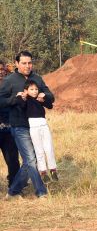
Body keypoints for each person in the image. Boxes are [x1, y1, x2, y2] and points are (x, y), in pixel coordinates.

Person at [0, 51, 52, 199]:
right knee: (30, 159)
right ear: (16, 64)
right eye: (24, 63)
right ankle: (41, 192)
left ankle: (13, 191)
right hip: (19, 125)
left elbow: (51, 97)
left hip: (36, 125)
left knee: (31, 160)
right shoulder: (10, 80)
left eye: (29, 63)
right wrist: (15, 99)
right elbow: (1, 100)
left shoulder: (37, 79)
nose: (27, 66)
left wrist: (44, 97)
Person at [19, 79, 58, 181]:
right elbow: (21, 106)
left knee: (49, 148)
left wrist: (44, 97)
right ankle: (43, 172)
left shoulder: (39, 99)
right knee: (39, 150)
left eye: (36, 89)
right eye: (31, 89)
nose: (35, 91)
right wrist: (22, 96)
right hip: (33, 127)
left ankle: (53, 170)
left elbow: (50, 106)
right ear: (26, 90)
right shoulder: (26, 100)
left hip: (44, 125)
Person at [0, 62, 20, 189]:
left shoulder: (11, 85)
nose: (1, 71)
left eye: (2, 69)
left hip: (9, 128)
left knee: (12, 159)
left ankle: (14, 187)